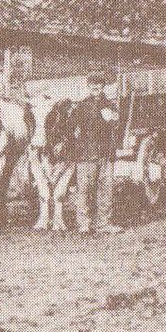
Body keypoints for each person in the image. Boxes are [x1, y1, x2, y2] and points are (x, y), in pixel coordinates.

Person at [71, 71, 123, 234]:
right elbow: (72, 128)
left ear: (103, 88)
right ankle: (84, 224)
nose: (96, 90)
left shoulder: (110, 105)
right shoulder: (81, 106)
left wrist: (114, 119)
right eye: (93, 88)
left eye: (99, 88)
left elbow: (117, 126)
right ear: (88, 87)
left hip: (105, 153)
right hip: (86, 154)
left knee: (106, 189)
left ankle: (103, 223)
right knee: (84, 189)